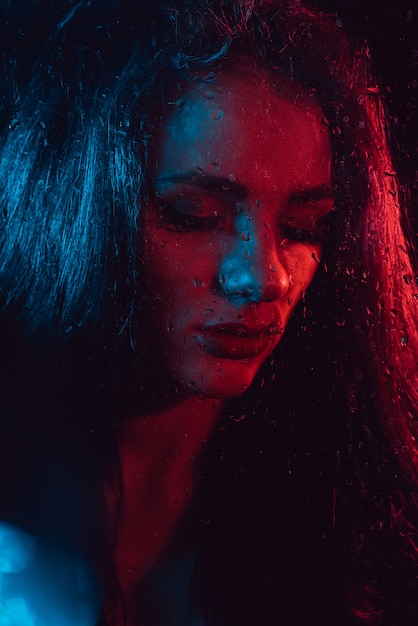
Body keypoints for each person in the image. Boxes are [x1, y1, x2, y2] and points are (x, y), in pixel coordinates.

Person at [0, 0, 417, 624]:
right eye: (194, 215)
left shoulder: (363, 513)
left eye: (305, 227)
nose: (264, 278)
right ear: (78, 206)